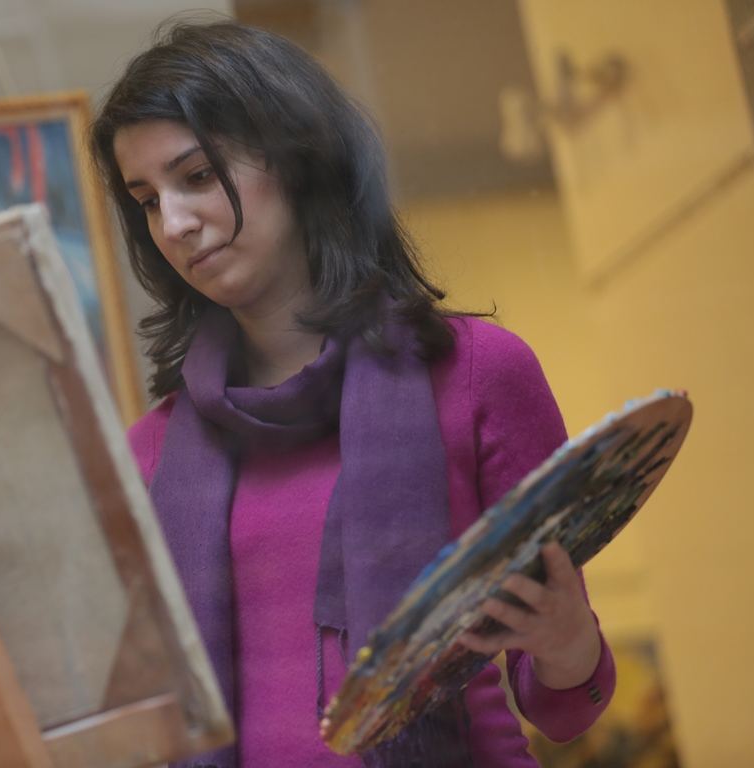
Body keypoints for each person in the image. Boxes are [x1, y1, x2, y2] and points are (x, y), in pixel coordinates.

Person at [90, 19, 615, 768]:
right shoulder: (150, 453)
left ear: (297, 160)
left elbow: (566, 707)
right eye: (146, 199)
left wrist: (568, 642)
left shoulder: (478, 372)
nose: (173, 223)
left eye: (198, 176)